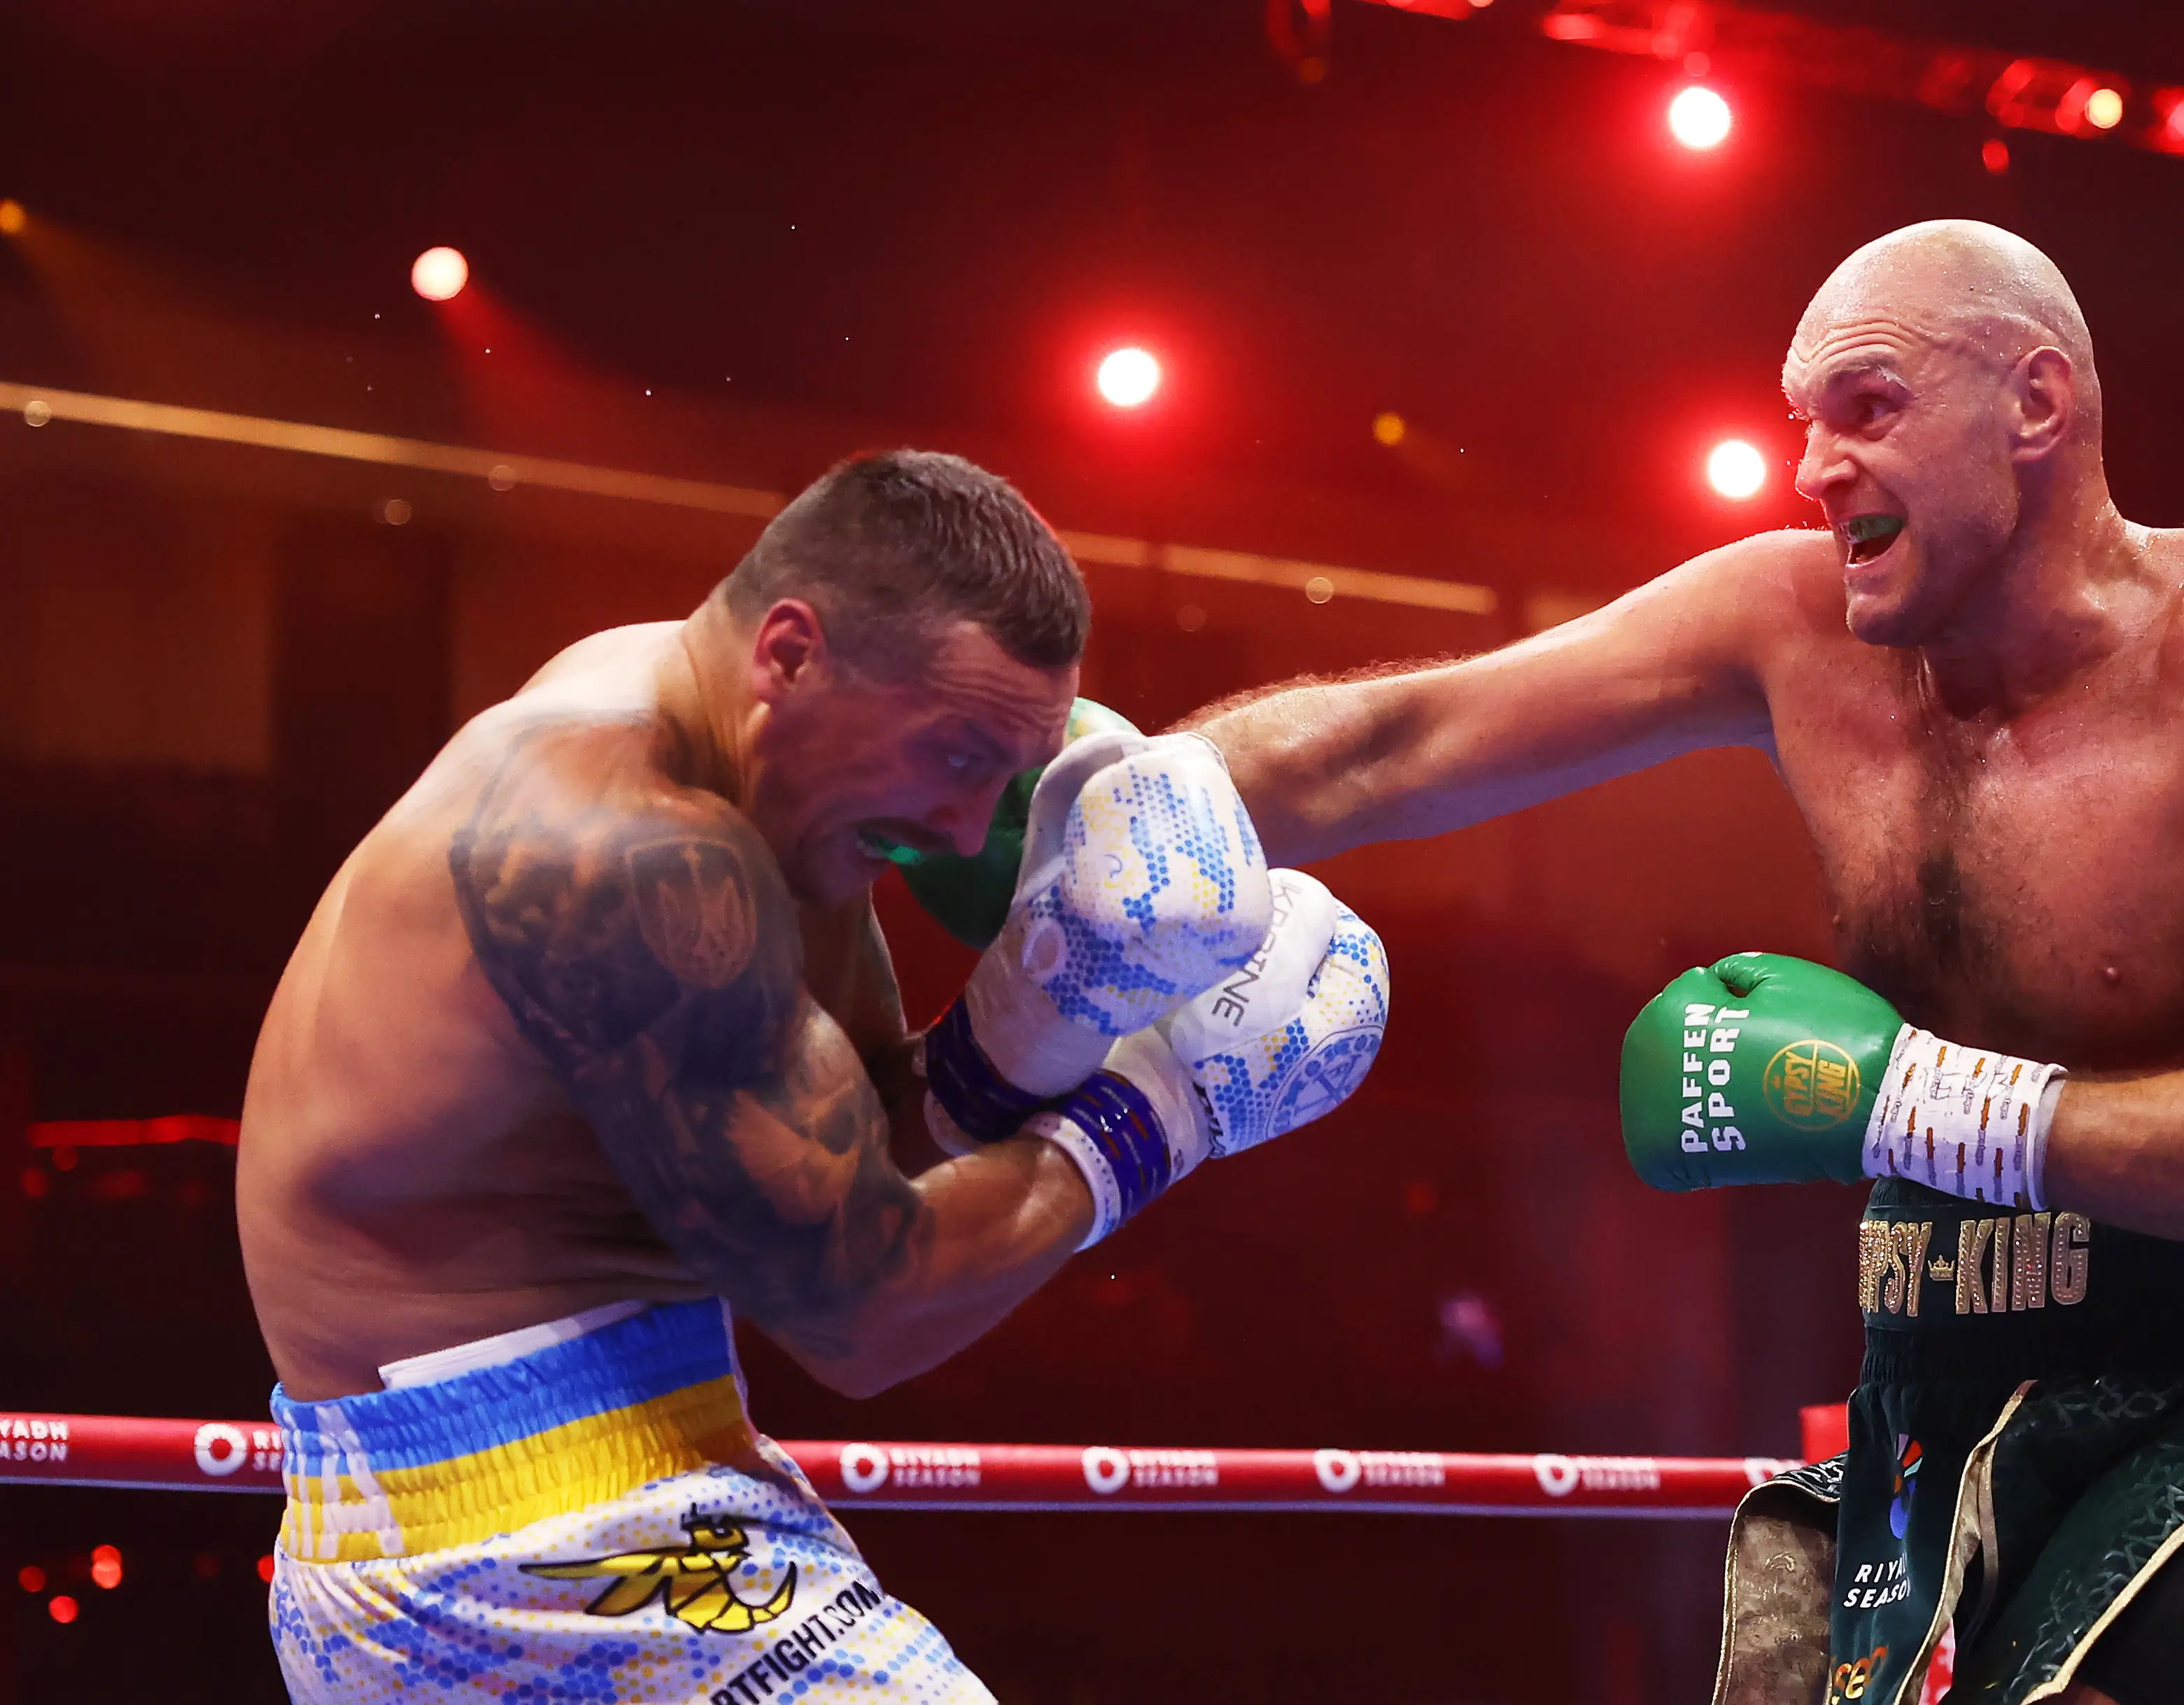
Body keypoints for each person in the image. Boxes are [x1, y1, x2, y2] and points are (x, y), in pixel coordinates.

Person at [1190, 223, 2184, 1705]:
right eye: (1802, 426)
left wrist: (1918, 1107)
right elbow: (1396, 740)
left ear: (2037, 406)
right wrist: (1098, 797)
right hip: (1954, 1385)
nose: (1813, 471)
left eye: (1866, 408)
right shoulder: (1790, 624)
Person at [237, 448, 1388, 1703]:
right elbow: (864, 1313)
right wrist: (1168, 1101)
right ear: (789, 654)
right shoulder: (622, 849)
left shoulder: (739, 760)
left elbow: (856, 1158)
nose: (965, 831)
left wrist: (1041, 1013)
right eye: (955, 756)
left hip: (544, 1507)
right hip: (531, 1538)